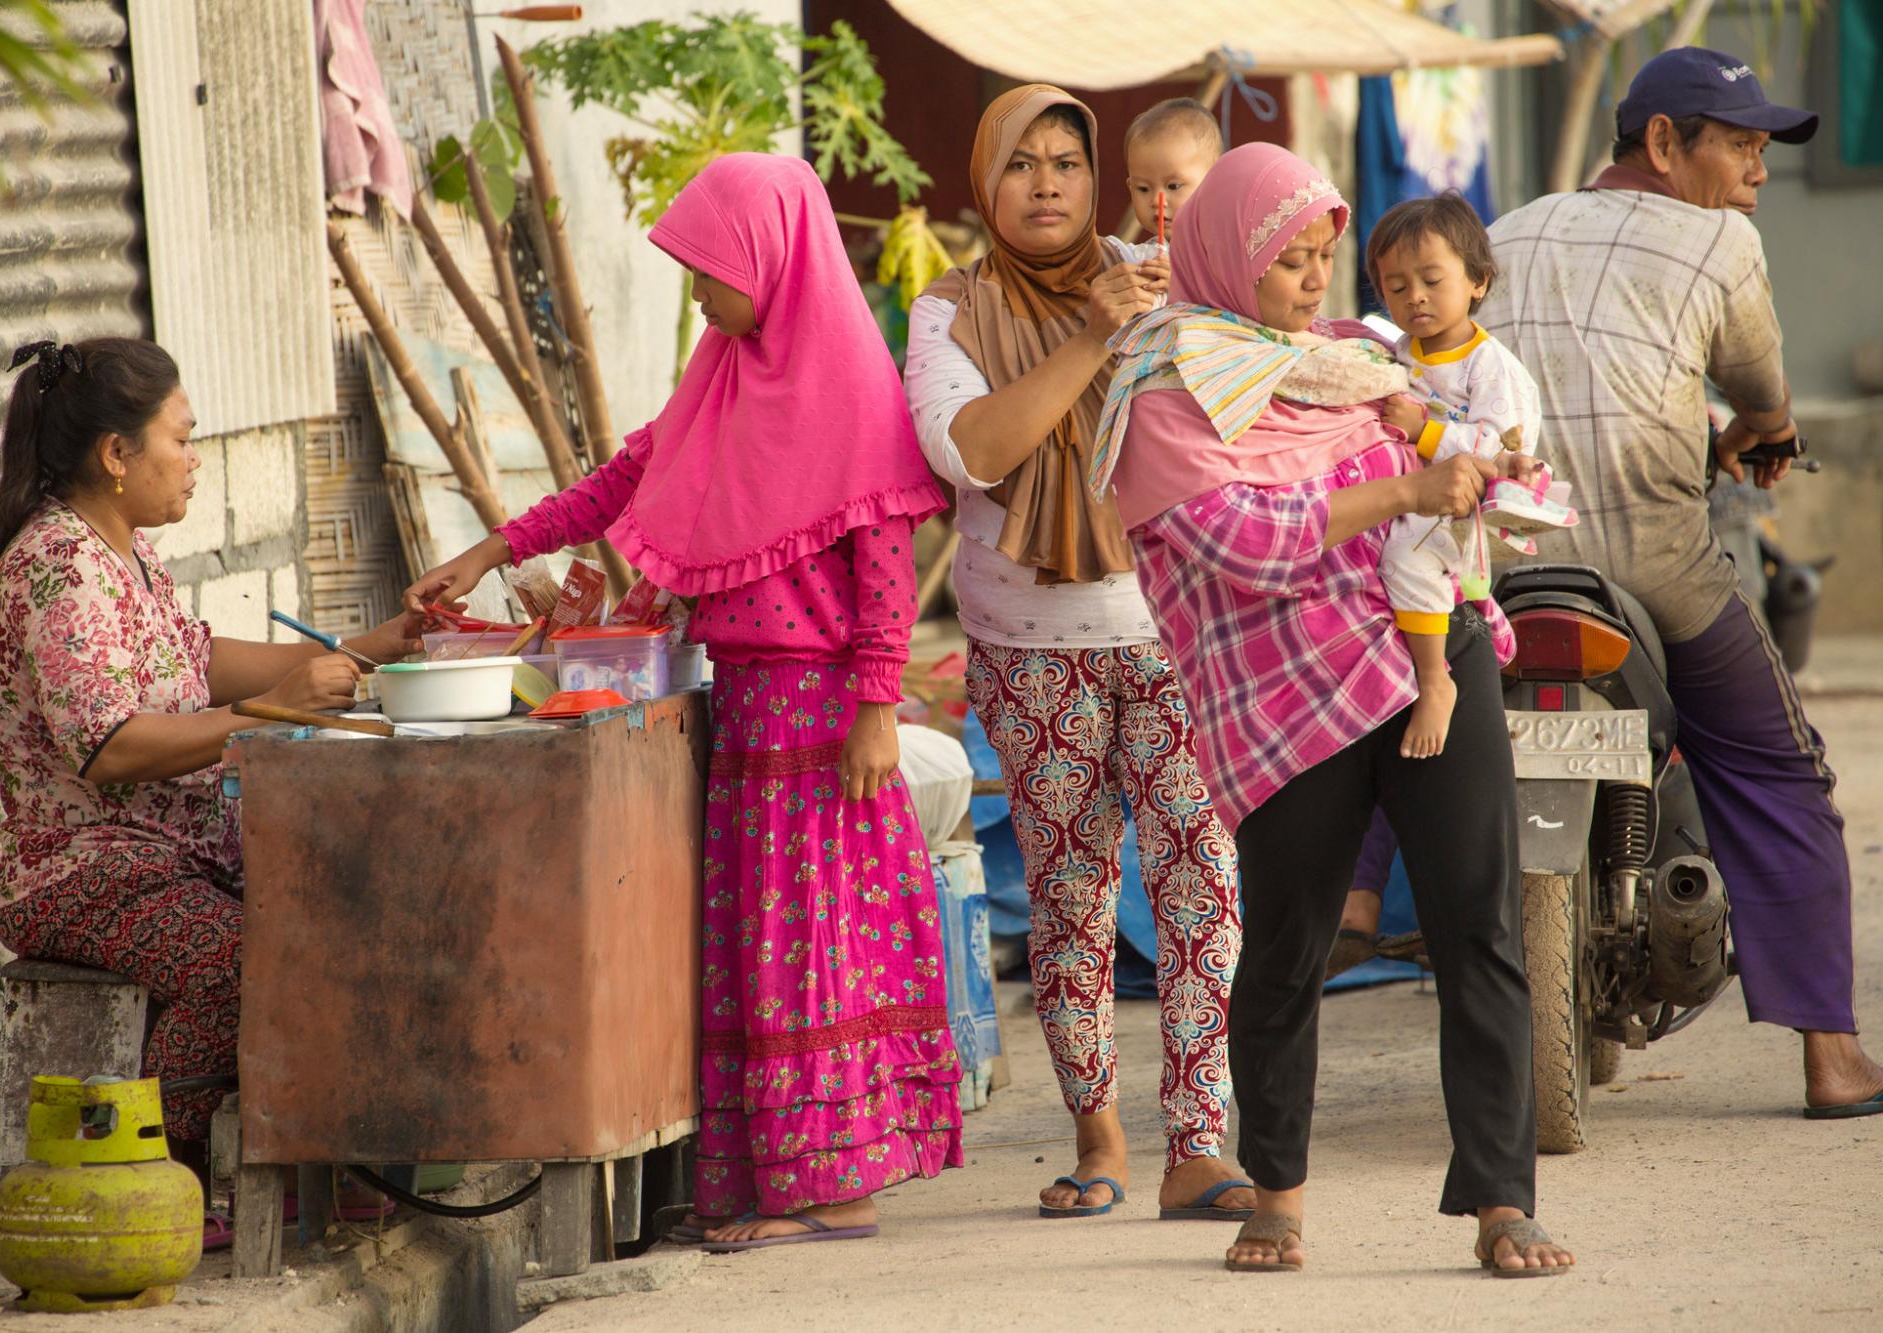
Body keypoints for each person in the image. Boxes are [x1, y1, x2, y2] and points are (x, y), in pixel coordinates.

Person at [405, 153, 964, 1250]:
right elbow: (624, 480)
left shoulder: (849, 390)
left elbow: (887, 572)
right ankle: (782, 1177)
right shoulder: (722, 378)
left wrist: (876, 705)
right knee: (765, 947)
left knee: (812, 943)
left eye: (711, 271)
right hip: (747, 712)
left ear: (773, 259)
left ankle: (829, 1186)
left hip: (819, 721)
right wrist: (490, 548)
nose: (700, 296)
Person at [1092, 142, 1575, 1276]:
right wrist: (1402, 489)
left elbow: (1444, 449)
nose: (1316, 283)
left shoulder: (1352, 360)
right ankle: (1277, 1192)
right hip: (1279, 696)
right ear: (1224, 256)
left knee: (1478, 924)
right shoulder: (1166, 392)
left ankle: (1503, 1199)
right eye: (1289, 260)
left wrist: (1488, 472)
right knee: (1288, 949)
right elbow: (1243, 543)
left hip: (1426, 656)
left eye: (1321, 258)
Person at [1477, 47, 1883, 1120]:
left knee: (1405, 719)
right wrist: (1763, 428)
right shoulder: (1718, 240)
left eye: (1762, 151)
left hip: (1497, 572)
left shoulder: (1500, 232)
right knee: (1776, 772)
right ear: (1661, 143)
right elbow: (1756, 387)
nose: (1754, 172)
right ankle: (1831, 1057)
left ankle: (1364, 896)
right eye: (1738, 145)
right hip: (1655, 567)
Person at [0, 338, 423, 1181]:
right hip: (78, 875)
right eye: (182, 439)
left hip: (166, 861)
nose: (195, 461)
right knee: (244, 963)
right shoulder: (59, 566)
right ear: (117, 454)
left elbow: (197, 659)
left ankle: (328, 1171)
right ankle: (165, 1174)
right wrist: (271, 712)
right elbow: (109, 748)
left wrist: (377, 648)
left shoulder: (124, 551)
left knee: (343, 915)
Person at [906, 84, 1252, 1223]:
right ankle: (1097, 1131)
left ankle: (1196, 1137)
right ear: (983, 178)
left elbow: (1239, 393)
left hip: (1174, 631)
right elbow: (972, 449)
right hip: (1029, 649)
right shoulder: (944, 311)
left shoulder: (1157, 260)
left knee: (1199, 878)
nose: (1046, 182)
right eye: (1021, 163)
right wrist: (1090, 334)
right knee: (1067, 889)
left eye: (1066, 160)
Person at [1364, 193, 1559, 757]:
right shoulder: (1399, 351)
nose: (1415, 297)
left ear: (1477, 280)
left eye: (1431, 280)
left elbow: (1500, 450)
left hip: (1460, 505)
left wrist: (1423, 431)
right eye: (1396, 288)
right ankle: (1474, 608)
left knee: (1406, 553)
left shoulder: (1490, 366)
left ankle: (1434, 680)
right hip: (1411, 493)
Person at [1124, 97, 1223, 255]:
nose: (1157, 200)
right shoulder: (1138, 258)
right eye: (1143, 189)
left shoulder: (1228, 249)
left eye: (1173, 186)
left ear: (1214, 182)